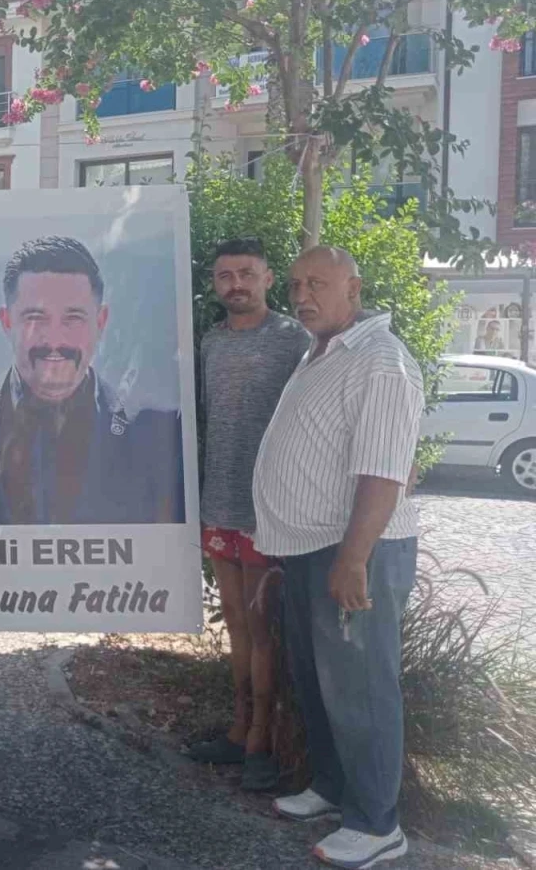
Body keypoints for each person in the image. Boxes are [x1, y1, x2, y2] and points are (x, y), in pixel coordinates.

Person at [253, 247, 423, 869]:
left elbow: (382, 472)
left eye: (318, 284)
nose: (302, 295)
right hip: (311, 549)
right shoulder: (323, 351)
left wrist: (353, 560)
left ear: (354, 288)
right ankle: (332, 788)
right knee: (320, 681)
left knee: (361, 687)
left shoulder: (381, 361)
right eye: (296, 284)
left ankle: (378, 825)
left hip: (356, 549)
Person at [0, 235, 184, 525]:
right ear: (6, 322)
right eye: (36, 318)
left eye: (73, 318)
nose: (55, 340)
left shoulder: (158, 426)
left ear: (100, 322)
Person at [185, 239, 309, 791]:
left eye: (246, 273)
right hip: (219, 503)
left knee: (263, 630)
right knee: (235, 622)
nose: (235, 284)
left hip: (268, 510)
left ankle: (264, 738)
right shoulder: (211, 342)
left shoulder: (294, 339)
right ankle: (239, 729)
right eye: (224, 276)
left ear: (268, 278)